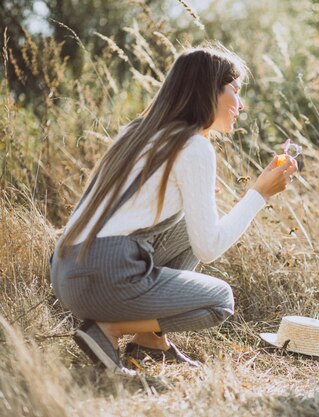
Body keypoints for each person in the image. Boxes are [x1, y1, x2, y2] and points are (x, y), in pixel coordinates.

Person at [50, 44, 298, 374]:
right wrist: (258, 194)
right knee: (220, 300)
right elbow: (209, 248)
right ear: (210, 91)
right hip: (104, 272)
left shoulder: (136, 132)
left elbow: (155, 220)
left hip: (66, 270)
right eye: (235, 91)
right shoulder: (194, 145)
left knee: (185, 228)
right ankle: (108, 330)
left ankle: (149, 341)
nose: (241, 104)